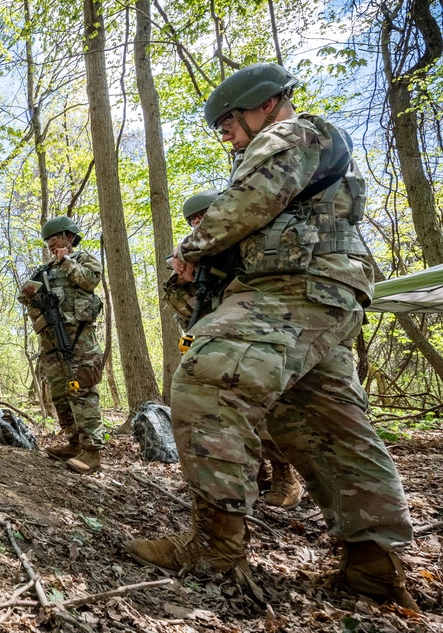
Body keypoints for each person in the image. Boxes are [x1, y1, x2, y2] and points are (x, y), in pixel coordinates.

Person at [125, 63, 419, 611]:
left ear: (261, 105)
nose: (226, 137)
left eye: (229, 124)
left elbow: (247, 201)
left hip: (299, 287)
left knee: (207, 378)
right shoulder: (302, 149)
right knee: (319, 418)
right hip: (325, 293)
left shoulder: (293, 132)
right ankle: (375, 565)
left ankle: (214, 548)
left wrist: (192, 250)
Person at [165, 189, 305, 509]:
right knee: (227, 412)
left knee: (266, 408)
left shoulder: (248, 241)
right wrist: (181, 281)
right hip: (219, 338)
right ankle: (256, 474)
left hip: (260, 331)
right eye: (193, 221)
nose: (198, 224)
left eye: (203, 217)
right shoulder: (198, 258)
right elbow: (190, 313)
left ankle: (285, 475)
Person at [18, 216, 105, 474]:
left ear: (69, 236)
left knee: (83, 392)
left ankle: (92, 452)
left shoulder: (84, 260)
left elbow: (90, 281)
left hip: (80, 341)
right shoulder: (43, 271)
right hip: (52, 342)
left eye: (54, 238)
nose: (51, 244)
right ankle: (74, 443)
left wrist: (66, 261)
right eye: (47, 241)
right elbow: (25, 297)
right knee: (59, 393)